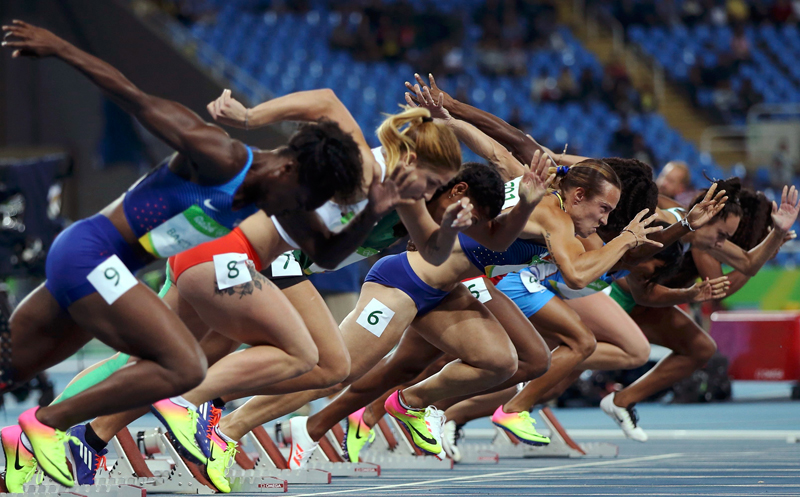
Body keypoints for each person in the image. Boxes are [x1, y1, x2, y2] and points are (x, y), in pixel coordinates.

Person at [0, 20, 365, 488]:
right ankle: (46, 424)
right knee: (184, 366)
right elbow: (136, 99)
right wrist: (61, 48)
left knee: (12, 368)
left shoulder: (272, 194)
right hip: (90, 255)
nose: (297, 210)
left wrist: (378, 207)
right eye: (302, 199)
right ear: (288, 169)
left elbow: (325, 252)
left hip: (107, 268)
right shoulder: (220, 156)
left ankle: (20, 442)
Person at [602, 181, 799, 440]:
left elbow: (748, 263)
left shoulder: (705, 236)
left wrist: (775, 236)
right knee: (575, 354)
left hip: (647, 300)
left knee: (700, 349)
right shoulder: (694, 235)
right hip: (615, 294)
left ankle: (620, 402)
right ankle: (542, 400)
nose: (722, 243)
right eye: (723, 234)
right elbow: (719, 288)